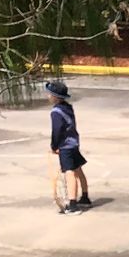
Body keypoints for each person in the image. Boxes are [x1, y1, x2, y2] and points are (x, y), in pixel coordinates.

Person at [45, 80, 91, 213]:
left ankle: (73, 204)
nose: (48, 96)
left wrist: (54, 145)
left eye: (50, 94)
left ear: (55, 97)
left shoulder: (56, 112)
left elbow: (57, 130)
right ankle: (85, 197)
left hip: (65, 146)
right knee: (78, 170)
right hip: (74, 143)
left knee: (69, 173)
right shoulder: (68, 108)